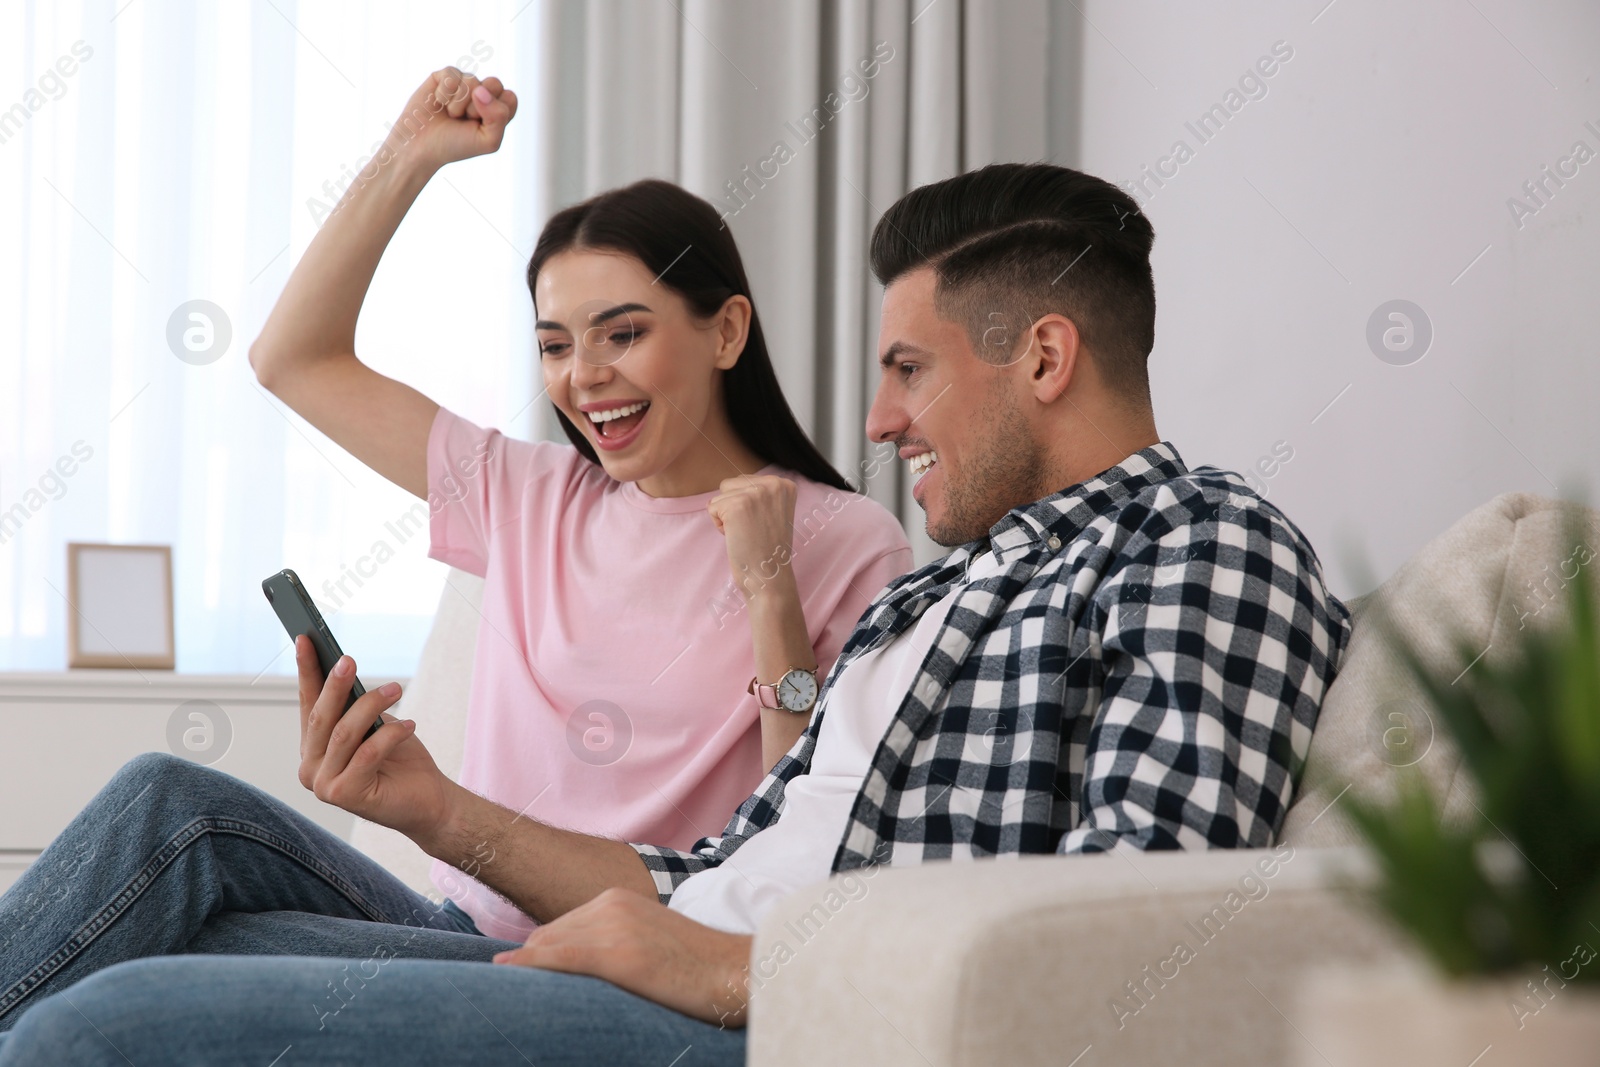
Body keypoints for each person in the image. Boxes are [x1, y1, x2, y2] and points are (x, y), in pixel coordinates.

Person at [0, 155, 1351, 1065]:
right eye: (555, 342)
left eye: (909, 371)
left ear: (1045, 357)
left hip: (759, 1019)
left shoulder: (1197, 543)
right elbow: (716, 873)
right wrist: (438, 812)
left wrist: (722, 969)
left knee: (100, 1024)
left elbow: (1147, 945)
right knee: (165, 877)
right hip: (672, 951)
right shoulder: (944, 592)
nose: (877, 420)